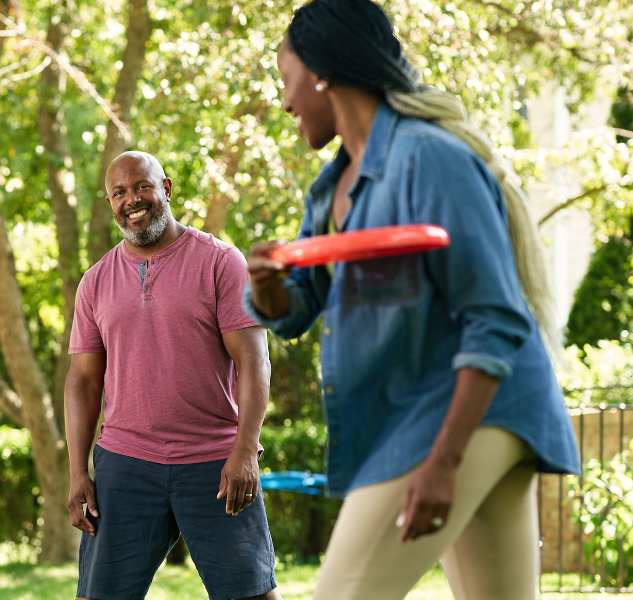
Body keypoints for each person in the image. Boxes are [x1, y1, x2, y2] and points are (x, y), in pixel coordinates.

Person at [242, 1, 581, 598]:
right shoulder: (332, 189)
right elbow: (295, 311)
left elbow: (494, 315)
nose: (286, 101)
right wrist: (267, 288)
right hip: (438, 413)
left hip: (469, 409)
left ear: (321, 71)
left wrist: (444, 462)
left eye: (286, 80)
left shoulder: (431, 159)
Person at [65, 151, 281, 600]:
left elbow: (254, 361)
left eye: (142, 186)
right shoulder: (96, 281)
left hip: (215, 462)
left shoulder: (221, 262)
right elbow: (83, 381)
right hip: (125, 463)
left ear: (166, 188)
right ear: (110, 204)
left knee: (253, 596)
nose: (132, 200)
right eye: (119, 193)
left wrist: (245, 452)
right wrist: (76, 472)